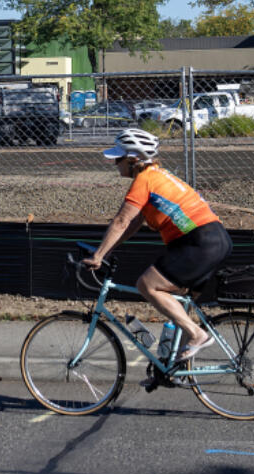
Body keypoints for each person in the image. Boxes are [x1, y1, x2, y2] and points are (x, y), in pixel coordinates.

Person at [82, 128, 232, 363]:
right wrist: (106, 251)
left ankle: (197, 334)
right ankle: (174, 367)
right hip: (215, 239)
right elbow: (132, 224)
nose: (115, 164)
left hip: (198, 242)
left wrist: (98, 255)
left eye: (118, 159)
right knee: (180, 308)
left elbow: (121, 221)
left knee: (147, 285)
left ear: (133, 160)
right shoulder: (158, 175)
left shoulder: (144, 181)